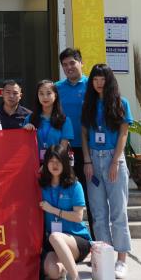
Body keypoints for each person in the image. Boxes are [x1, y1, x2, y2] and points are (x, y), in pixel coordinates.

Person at [81, 63, 133, 279]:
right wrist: (87, 161)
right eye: (95, 79)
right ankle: (105, 258)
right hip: (93, 159)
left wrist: (115, 161)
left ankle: (122, 260)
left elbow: (123, 134)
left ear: (109, 80)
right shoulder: (89, 104)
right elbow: (84, 134)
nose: (99, 83)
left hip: (114, 159)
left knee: (118, 212)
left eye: (103, 79)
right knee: (98, 213)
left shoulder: (121, 103)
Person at [39, 145, 92, 280]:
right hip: (53, 244)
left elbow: (78, 217)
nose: (55, 165)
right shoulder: (42, 186)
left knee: (55, 237)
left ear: (65, 163)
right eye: (51, 161)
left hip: (76, 240)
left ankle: (75, 277)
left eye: (58, 161)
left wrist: (52, 210)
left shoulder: (75, 186)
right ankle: (64, 266)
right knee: (53, 272)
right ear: (46, 163)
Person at [56, 49, 91, 200]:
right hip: (63, 148)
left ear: (81, 63)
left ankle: (92, 217)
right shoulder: (56, 88)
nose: (68, 67)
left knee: (90, 193)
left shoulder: (92, 86)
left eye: (72, 63)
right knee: (65, 192)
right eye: (64, 65)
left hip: (88, 149)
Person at [24, 79, 74, 162]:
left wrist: (46, 166)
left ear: (55, 95)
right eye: (41, 93)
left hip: (55, 164)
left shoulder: (64, 120)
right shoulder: (29, 119)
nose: (45, 97)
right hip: (33, 165)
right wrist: (25, 130)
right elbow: (24, 147)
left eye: (48, 93)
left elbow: (62, 150)